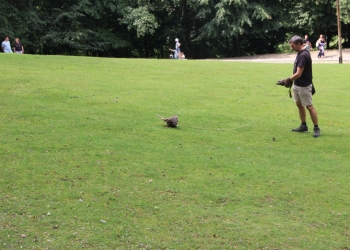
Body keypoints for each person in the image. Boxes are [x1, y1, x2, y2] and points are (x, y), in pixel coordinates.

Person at [277, 35, 320, 137]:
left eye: (293, 46)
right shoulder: (300, 53)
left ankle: (316, 128)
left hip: (304, 85)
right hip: (297, 84)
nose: (291, 48)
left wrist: (286, 80)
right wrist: (292, 82)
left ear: (299, 44)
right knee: (299, 104)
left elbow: (299, 73)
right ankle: (303, 125)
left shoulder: (303, 55)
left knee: (309, 106)